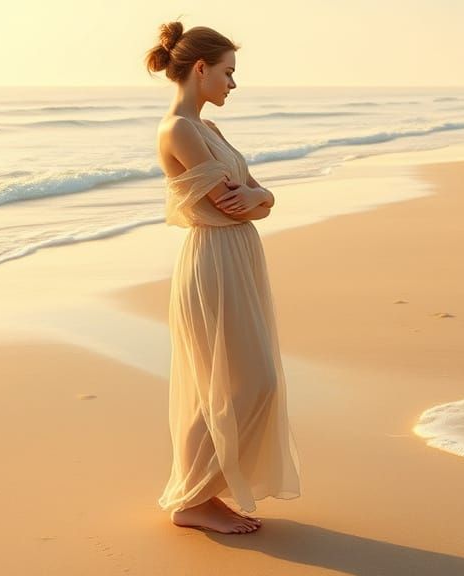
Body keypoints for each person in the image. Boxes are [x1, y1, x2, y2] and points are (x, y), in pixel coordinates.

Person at [144, 21, 302, 535]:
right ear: (200, 68)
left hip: (236, 258)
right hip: (213, 261)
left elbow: (257, 195)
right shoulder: (179, 129)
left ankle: (201, 495)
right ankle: (193, 498)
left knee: (232, 381)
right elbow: (232, 205)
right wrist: (258, 201)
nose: (233, 84)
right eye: (229, 73)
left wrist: (262, 198)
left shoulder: (208, 129)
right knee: (244, 381)